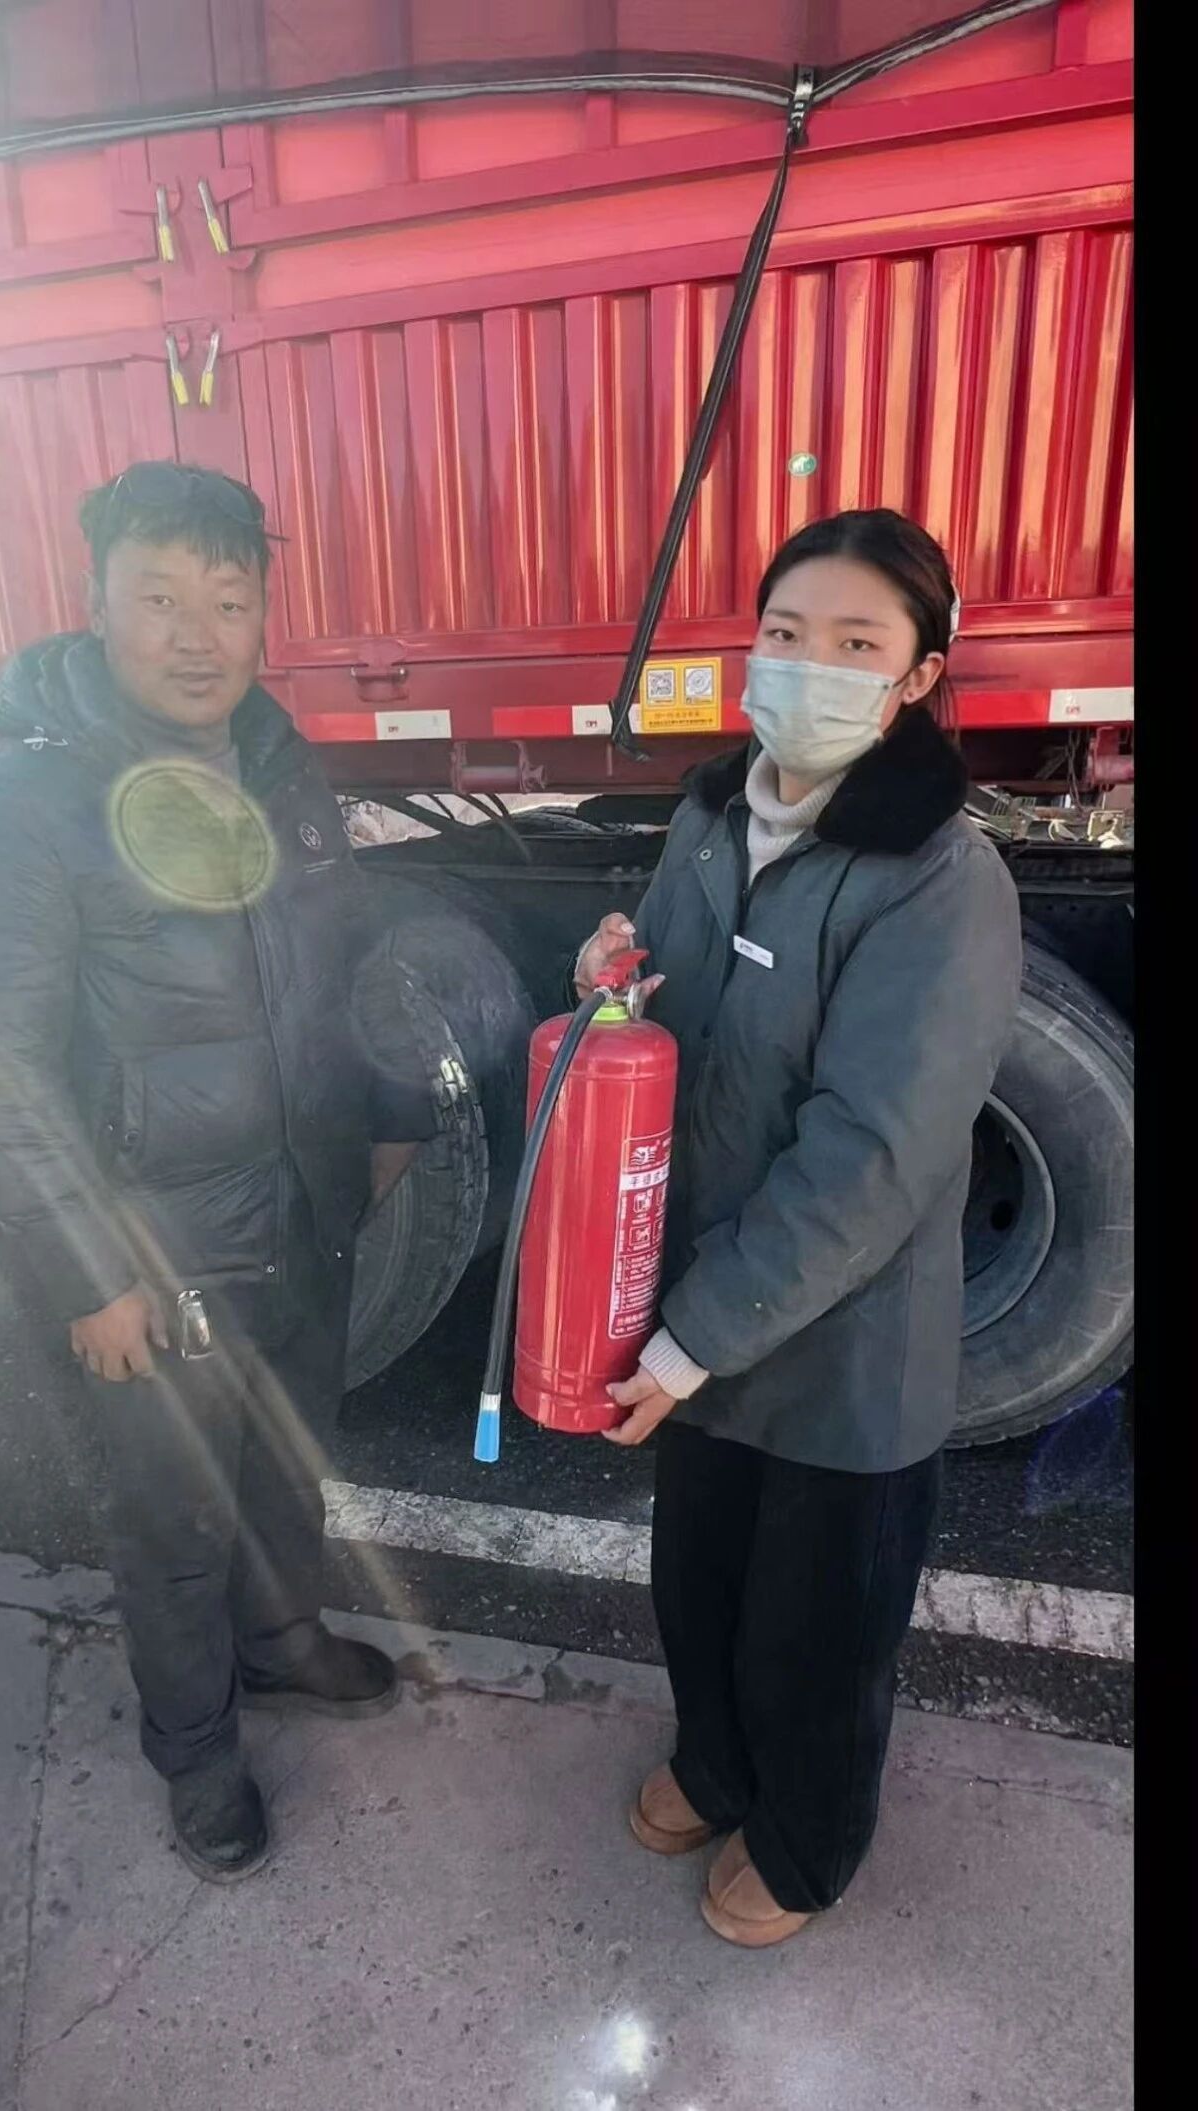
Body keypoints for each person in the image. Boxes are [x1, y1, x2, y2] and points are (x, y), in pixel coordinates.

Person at [0, 462, 434, 1884]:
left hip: (301, 1214)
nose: (197, 635)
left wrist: (390, 1116)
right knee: (171, 1522)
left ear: (263, 614)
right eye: (158, 598)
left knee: (287, 1462)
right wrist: (89, 1277)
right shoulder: (23, 801)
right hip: (157, 1249)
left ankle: (280, 1644)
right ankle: (196, 1748)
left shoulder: (276, 762)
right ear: (94, 606)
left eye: (227, 598)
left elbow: (347, 962)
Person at [576, 508, 1021, 1949]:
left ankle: (806, 1839)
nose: (809, 666)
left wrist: (694, 1334)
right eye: (785, 632)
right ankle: (716, 1766)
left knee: (817, 1630)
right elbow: (670, 1010)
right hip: (705, 1304)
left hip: (839, 1345)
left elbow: (875, 1154)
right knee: (700, 1582)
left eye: (855, 643)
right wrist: (609, 976)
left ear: (916, 678)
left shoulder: (940, 875)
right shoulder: (712, 817)